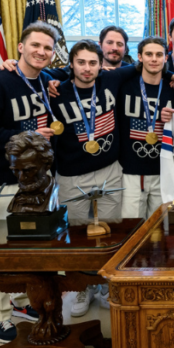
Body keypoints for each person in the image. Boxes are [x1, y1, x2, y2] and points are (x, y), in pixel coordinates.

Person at [0, 21, 63, 327]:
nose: (41, 51)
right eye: (35, 45)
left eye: (47, 48)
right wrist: (31, 134)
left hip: (40, 181)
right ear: (20, 47)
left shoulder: (46, 80)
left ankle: (24, 302)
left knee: (32, 248)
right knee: (3, 250)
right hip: (3, 183)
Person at [47, 40, 139, 316]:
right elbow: (33, 74)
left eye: (92, 63)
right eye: (81, 62)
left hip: (110, 169)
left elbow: (144, 64)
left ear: (101, 64)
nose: (87, 68)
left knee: (109, 230)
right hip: (72, 173)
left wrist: (173, 75)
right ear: (71, 64)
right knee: (77, 234)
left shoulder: (111, 79)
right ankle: (79, 287)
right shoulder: (56, 91)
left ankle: (103, 283)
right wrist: (53, 76)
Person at [119, 38, 174, 221]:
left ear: (166, 58)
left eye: (159, 54)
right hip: (131, 171)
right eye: (149, 54)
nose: (154, 59)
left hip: (164, 171)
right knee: (132, 227)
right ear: (139, 57)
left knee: (162, 228)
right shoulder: (124, 84)